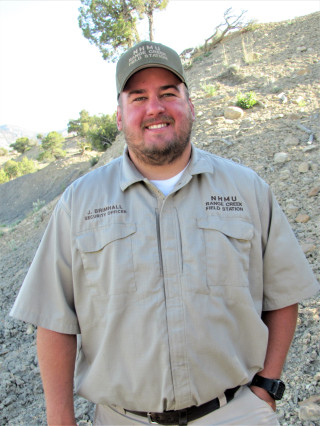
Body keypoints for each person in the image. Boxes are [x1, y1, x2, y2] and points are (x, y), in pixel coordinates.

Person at [11, 41, 319, 426]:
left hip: (235, 413)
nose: (154, 107)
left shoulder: (247, 190)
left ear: (190, 105)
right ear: (120, 116)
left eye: (168, 94)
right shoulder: (79, 202)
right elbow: (54, 319)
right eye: (138, 97)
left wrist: (266, 387)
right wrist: (60, 419)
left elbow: (283, 293)